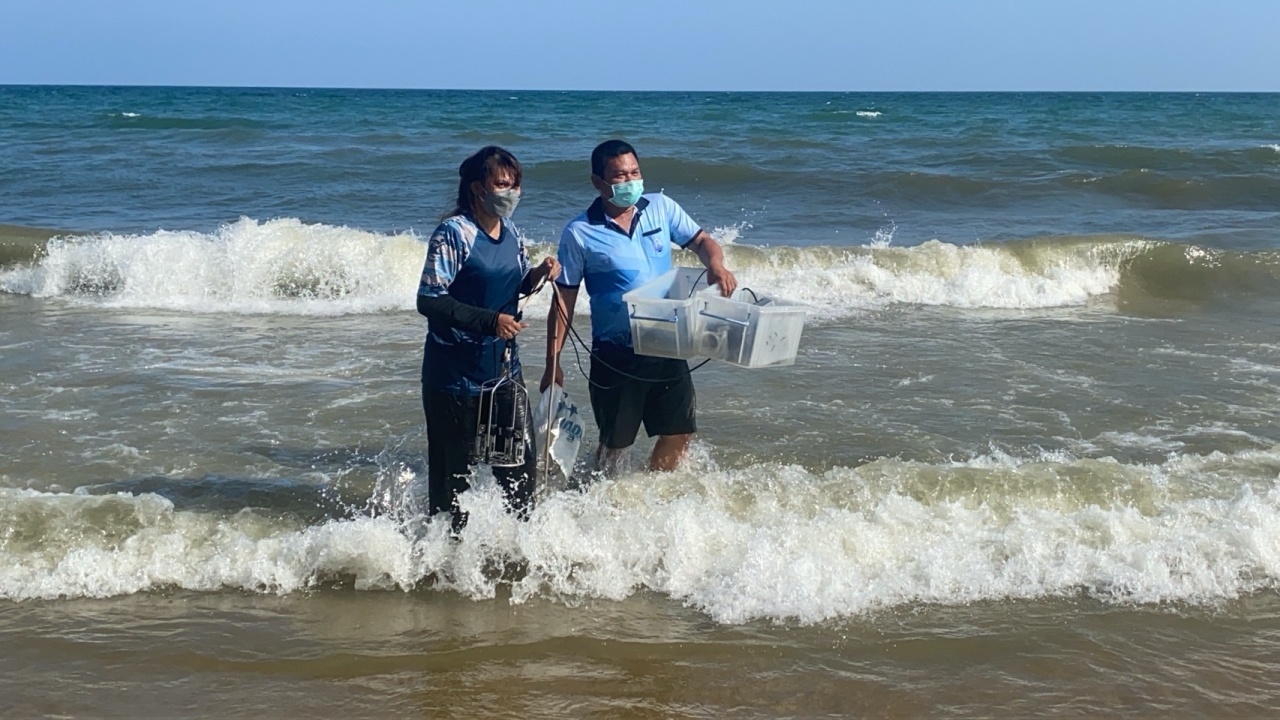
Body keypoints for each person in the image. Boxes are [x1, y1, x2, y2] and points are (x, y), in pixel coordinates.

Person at [541, 139, 736, 475]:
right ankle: (597, 497)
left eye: (635, 172)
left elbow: (702, 241)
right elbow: (564, 301)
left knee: (679, 432)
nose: (630, 181)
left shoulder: (660, 207)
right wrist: (552, 362)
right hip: (616, 353)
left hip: (667, 341)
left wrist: (716, 264)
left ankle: (648, 494)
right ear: (597, 182)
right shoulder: (580, 232)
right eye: (619, 176)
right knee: (616, 445)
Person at [416, 145, 559, 531]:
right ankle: (444, 566)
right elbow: (429, 300)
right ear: (478, 187)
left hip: (504, 374)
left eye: (515, 185)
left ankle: (518, 555)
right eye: (502, 184)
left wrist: (539, 275)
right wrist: (489, 321)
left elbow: (514, 289)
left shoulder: (512, 232)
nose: (511, 192)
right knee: (453, 485)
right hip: (455, 377)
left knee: (518, 474)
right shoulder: (453, 233)